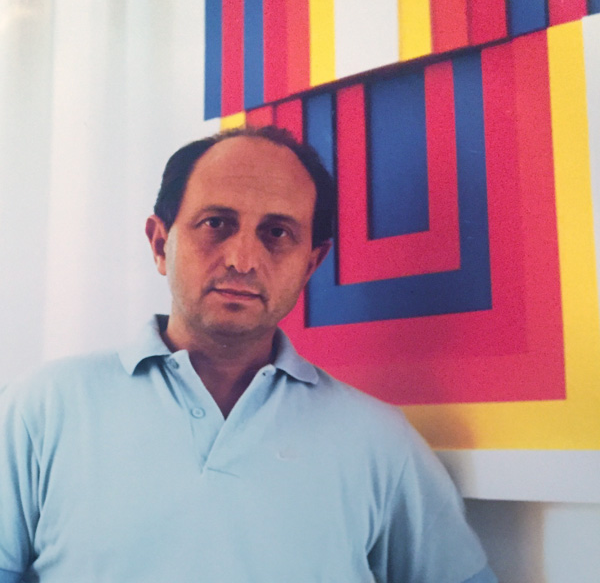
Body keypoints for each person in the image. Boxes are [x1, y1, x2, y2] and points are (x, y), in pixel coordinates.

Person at [0, 127, 497, 583]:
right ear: (160, 243)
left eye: (276, 233)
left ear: (310, 264)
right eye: (216, 223)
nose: (242, 260)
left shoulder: (380, 442)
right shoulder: (42, 410)